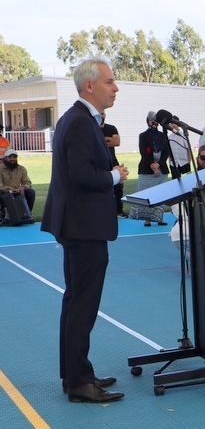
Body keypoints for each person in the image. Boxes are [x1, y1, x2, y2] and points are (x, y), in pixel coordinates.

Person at [41, 56, 128, 403]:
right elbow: (81, 174)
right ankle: (78, 380)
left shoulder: (82, 119)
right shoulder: (79, 121)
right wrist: (115, 175)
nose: (116, 87)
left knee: (77, 301)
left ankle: (77, 374)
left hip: (81, 225)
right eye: (110, 81)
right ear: (89, 85)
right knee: (82, 304)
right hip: (83, 226)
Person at [128, 112, 170, 227]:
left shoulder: (162, 135)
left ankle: (159, 217)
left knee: (160, 194)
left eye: (155, 121)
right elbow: (143, 151)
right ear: (148, 122)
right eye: (152, 121)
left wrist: (159, 164)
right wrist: (152, 164)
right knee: (146, 194)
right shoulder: (143, 135)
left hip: (161, 169)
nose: (154, 123)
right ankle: (147, 218)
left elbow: (166, 151)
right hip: (147, 169)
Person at [99, 112, 125, 216]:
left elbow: (117, 142)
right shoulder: (93, 128)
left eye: (103, 114)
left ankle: (119, 210)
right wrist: (108, 139)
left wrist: (102, 140)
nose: (102, 116)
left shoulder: (111, 128)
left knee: (118, 186)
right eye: (100, 114)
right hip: (100, 162)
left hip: (113, 161)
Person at [0, 147, 36, 213]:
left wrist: (23, 187)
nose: (12, 159)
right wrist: (11, 189)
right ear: (5, 158)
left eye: (14, 157)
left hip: (18, 191)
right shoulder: (0, 169)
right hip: (4, 191)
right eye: (10, 157)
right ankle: (3, 214)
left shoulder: (21, 169)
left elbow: (27, 182)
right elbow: (0, 185)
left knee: (31, 192)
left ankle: (27, 213)